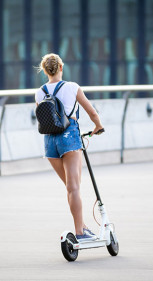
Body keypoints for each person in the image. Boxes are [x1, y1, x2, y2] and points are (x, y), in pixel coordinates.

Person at [35, 53, 104, 241]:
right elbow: (91, 111)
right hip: (69, 137)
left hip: (49, 143)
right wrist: (98, 126)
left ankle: (81, 225)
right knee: (74, 188)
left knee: (70, 187)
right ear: (61, 68)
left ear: (45, 71)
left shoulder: (39, 92)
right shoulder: (72, 87)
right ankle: (80, 233)